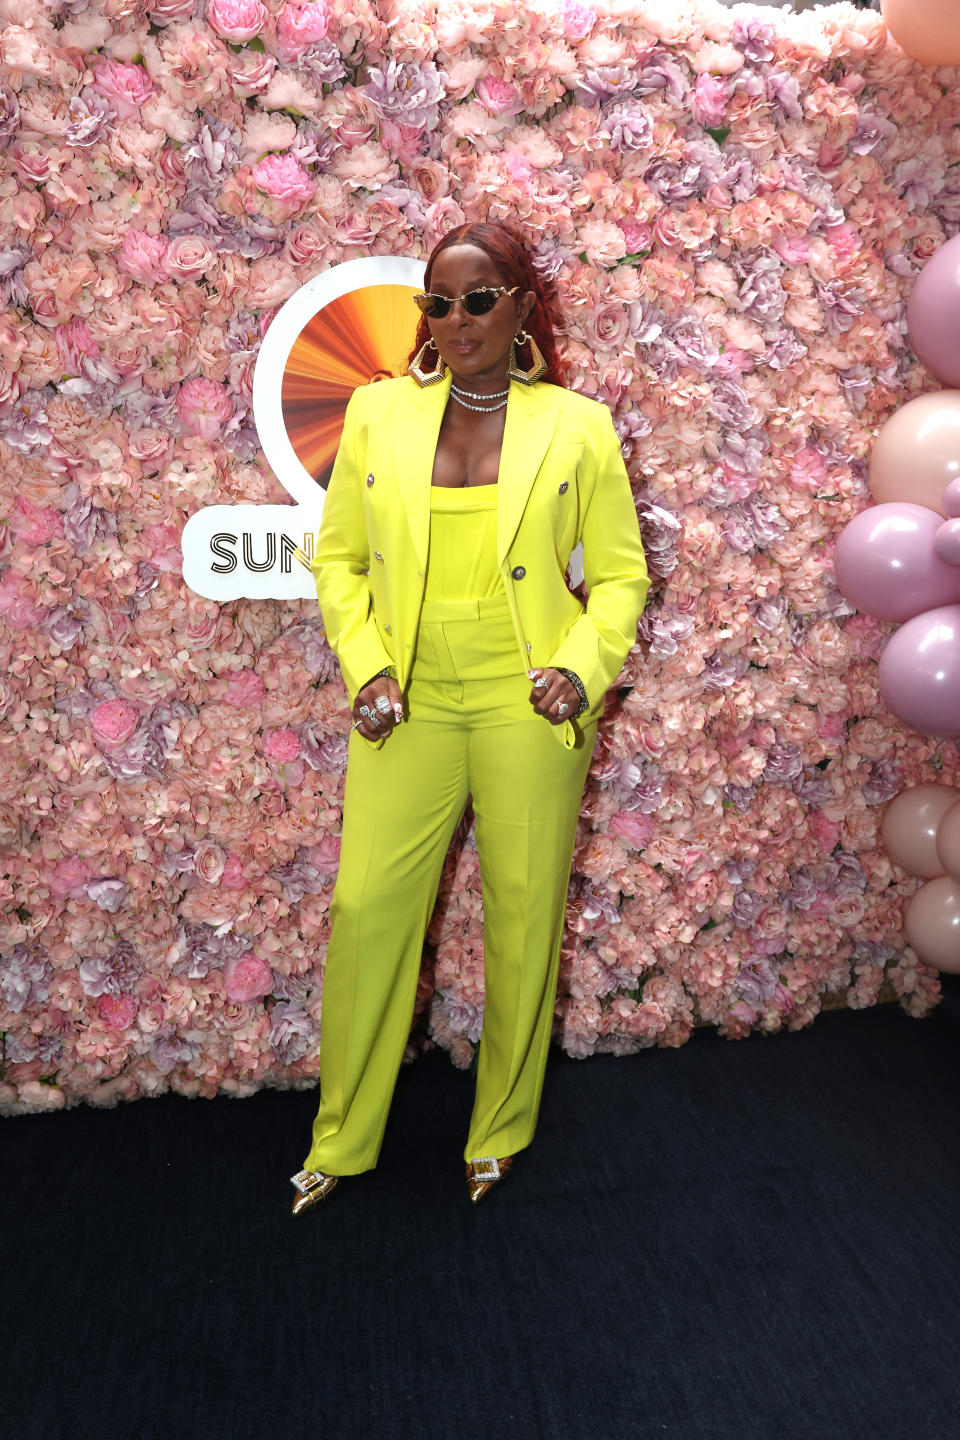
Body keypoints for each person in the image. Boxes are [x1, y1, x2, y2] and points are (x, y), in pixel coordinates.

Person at [290, 221, 649, 1214]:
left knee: (525, 913)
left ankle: (499, 1128)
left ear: (523, 305)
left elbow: (619, 575)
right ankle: (342, 1138)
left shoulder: (577, 425)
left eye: (480, 297)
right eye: (439, 302)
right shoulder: (375, 415)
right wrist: (364, 667)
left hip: (526, 700)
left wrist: (580, 668)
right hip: (407, 705)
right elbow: (340, 561)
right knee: (368, 912)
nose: (457, 319)